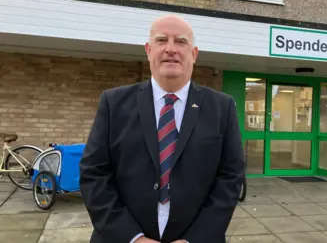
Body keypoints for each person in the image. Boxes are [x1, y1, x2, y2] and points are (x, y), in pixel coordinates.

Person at [79, 14, 245, 243]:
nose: (170, 49)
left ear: (194, 54)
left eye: (180, 41)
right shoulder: (113, 103)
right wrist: (133, 238)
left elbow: (230, 178)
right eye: (161, 40)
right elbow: (94, 174)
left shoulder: (222, 107)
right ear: (148, 50)